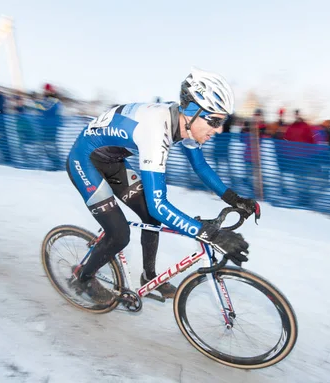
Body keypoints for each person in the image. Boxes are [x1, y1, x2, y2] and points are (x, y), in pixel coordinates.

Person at [66, 67, 260, 304]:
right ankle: (82, 278)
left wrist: (233, 198)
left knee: (150, 217)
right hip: (84, 161)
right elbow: (160, 204)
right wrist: (211, 235)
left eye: (223, 121)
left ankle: (149, 277)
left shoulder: (184, 124)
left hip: (113, 161)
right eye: (214, 120)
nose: (219, 129)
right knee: (119, 234)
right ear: (192, 112)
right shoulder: (155, 130)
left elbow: (200, 166)